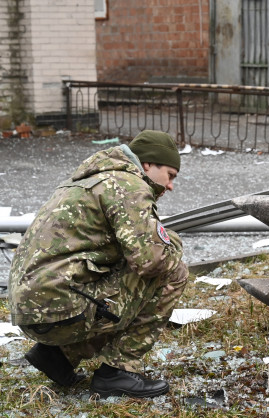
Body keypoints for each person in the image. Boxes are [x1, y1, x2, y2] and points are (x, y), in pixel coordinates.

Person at [8, 130, 188, 398]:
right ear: (148, 164)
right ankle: (118, 370)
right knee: (173, 272)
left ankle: (59, 356)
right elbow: (151, 262)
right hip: (60, 310)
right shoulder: (128, 185)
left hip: (30, 311)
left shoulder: (86, 179)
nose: (170, 185)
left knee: (122, 274)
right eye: (170, 175)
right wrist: (172, 243)